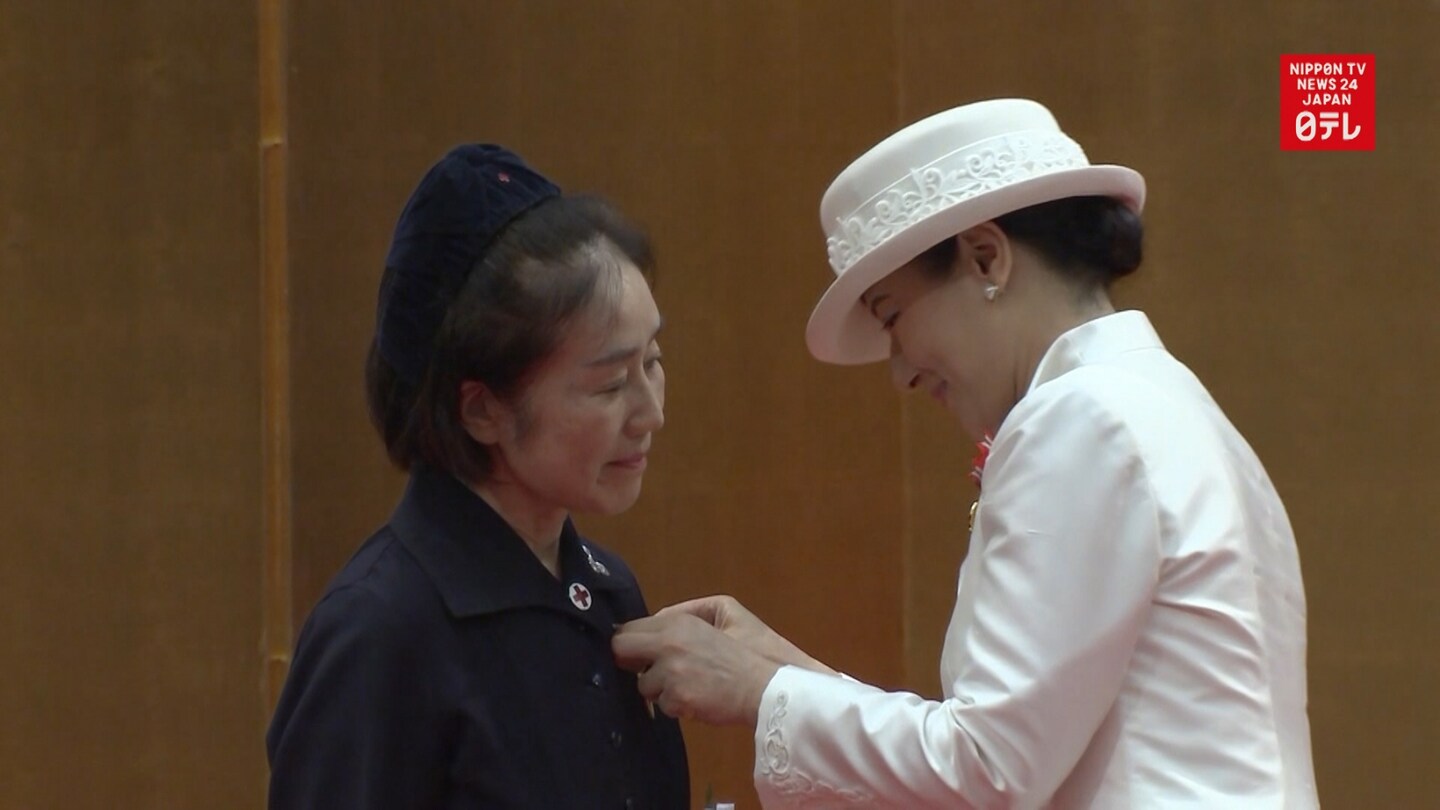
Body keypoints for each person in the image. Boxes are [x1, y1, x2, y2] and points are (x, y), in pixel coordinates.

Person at [613, 99, 1318, 807]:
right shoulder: (1163, 402)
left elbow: (988, 767)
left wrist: (759, 689)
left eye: (892, 316)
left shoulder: (1079, 418)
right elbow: (1008, 744)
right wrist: (778, 670)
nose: (900, 373)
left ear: (987, 256)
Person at [267, 144, 689, 809]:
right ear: (483, 409)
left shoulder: (607, 595)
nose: (651, 413)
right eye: (610, 385)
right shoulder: (379, 631)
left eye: (654, 362)